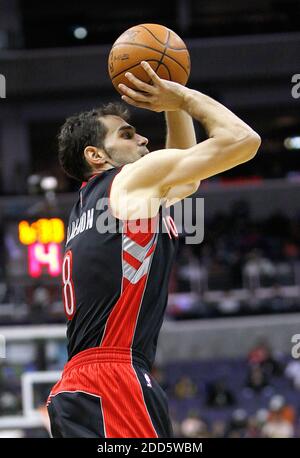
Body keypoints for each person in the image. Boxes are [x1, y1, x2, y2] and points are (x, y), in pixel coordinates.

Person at [46, 61, 261, 438]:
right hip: (114, 383)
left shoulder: (86, 205)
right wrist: (183, 96)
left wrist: (170, 107)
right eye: (128, 135)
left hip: (79, 383)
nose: (144, 139)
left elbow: (186, 179)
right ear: (97, 155)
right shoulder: (129, 181)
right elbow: (244, 141)